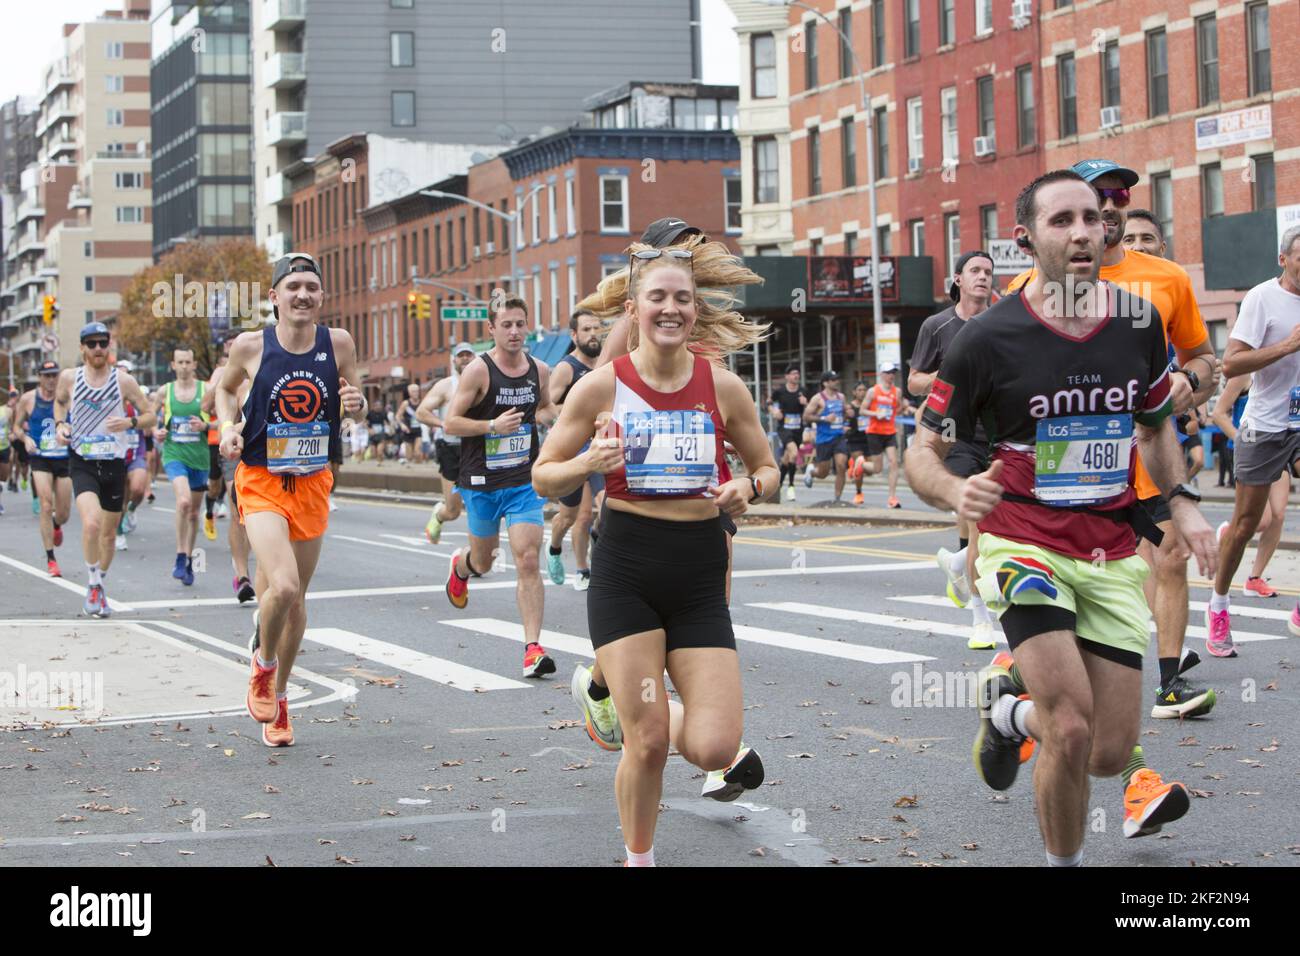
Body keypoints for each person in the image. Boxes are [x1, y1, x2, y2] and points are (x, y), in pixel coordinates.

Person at [906, 169, 1215, 862]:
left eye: (1092, 218)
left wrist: (1184, 506)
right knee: (1070, 730)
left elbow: (1156, 428)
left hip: (1107, 548)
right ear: (1026, 238)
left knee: (1106, 754)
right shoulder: (987, 337)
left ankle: (1009, 714)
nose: (1083, 232)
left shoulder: (1136, 323)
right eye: (1062, 221)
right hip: (1024, 542)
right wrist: (955, 495)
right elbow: (923, 451)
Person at [533, 240, 778, 866]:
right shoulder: (600, 388)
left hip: (699, 571)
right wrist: (590, 460)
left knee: (715, 746)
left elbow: (769, 466)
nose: (670, 309)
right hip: (628, 570)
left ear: (695, 310)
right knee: (645, 742)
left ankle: (616, 692)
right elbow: (545, 475)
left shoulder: (723, 387)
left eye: (682, 299)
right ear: (634, 309)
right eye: (658, 298)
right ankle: (638, 858)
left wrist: (746, 488)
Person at [1008, 159, 1219, 714]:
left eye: (1117, 196)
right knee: (1082, 581)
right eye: (1093, 196)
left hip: (1149, 450)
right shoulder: (1029, 286)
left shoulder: (1165, 280)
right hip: (1065, 467)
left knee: (1170, 557)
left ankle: (1169, 679)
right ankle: (1028, 675)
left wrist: (1186, 385)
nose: (1107, 206)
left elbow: (1204, 359)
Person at [569, 218, 764, 752]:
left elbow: (727, 405)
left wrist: (749, 481)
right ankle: (605, 684)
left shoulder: (700, 319)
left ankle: (708, 733)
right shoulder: (634, 324)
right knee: (646, 620)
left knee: (712, 583)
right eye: (679, 249)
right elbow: (601, 394)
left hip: (706, 480)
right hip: (642, 485)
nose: (690, 256)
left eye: (694, 250)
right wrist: (607, 447)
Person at [217, 252, 364, 747]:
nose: (303, 294)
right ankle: (262, 663)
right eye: (293, 286)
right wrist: (226, 426)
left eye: (312, 287)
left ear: (322, 296)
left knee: (296, 602)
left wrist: (357, 406)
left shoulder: (338, 343)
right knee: (281, 586)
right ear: (275, 296)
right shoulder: (251, 345)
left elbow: (355, 403)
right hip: (260, 478)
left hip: (313, 481)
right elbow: (225, 390)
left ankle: (280, 700)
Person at [442, 296, 559, 679]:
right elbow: (451, 424)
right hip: (481, 481)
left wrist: (556, 417)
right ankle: (462, 566)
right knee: (485, 561)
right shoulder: (478, 371)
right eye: (506, 324)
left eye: (520, 324)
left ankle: (532, 648)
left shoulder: (539, 369)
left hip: (524, 479)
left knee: (527, 558)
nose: (514, 332)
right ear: (491, 329)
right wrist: (492, 426)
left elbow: (542, 408)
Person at [1206, 226, 1300, 652]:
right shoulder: (1263, 299)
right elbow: (1231, 364)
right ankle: (1219, 604)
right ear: (1284, 259)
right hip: (1266, 425)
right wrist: (1287, 345)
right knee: (1245, 525)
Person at [908, 250, 997, 649]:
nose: (983, 277)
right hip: (953, 430)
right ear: (958, 279)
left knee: (994, 523)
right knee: (974, 510)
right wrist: (950, 375)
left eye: (988, 272)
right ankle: (981, 620)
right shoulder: (937, 325)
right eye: (975, 271)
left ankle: (960, 562)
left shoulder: (1001, 320)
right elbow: (913, 382)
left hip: (998, 431)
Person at [53, 326, 156, 615]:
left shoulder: (123, 381)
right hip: (82, 461)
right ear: (83, 348)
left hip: (113, 462)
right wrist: (61, 425)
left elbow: (149, 415)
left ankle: (99, 583)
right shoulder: (70, 378)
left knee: (109, 535)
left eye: (103, 343)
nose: (98, 348)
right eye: (92, 344)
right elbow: (59, 404)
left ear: (109, 346)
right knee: (92, 524)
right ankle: (93, 581)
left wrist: (129, 423)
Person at [1210, 374, 1286, 599]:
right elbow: (1218, 414)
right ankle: (1227, 531)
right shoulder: (1246, 373)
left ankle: (1254, 578)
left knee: (1279, 515)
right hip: (1251, 453)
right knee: (1260, 521)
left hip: (1278, 445)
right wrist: (1242, 441)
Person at [546, 308, 604, 590]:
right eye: (586, 330)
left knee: (607, 505)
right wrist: (572, 416)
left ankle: (597, 539)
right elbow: (544, 408)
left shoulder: (606, 365)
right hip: (574, 449)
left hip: (601, 445)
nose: (593, 334)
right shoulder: (567, 368)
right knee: (572, 517)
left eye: (597, 328)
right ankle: (557, 549)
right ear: (574, 335)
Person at [202, 332, 256, 603]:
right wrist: (222, 379)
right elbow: (206, 405)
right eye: (231, 346)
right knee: (237, 512)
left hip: (267, 456)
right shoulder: (225, 375)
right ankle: (242, 574)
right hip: (234, 450)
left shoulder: (264, 369)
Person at [153, 348, 212, 586]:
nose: (185, 366)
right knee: (184, 502)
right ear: (173, 365)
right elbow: (149, 417)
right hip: (174, 453)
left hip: (199, 457)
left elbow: (221, 418)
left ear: (194, 364)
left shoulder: (205, 390)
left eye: (188, 361)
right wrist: (156, 431)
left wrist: (205, 426)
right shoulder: (164, 392)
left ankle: (188, 558)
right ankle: (179, 554)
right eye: (180, 362)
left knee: (194, 512)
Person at [13, 362, 72, 576]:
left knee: (64, 513)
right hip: (40, 458)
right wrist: (26, 438)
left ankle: (57, 525)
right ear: (39, 377)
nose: (51, 380)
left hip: (63, 459)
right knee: (46, 505)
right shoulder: (28, 399)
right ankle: (51, 559)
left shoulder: (66, 399)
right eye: (46, 376)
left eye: (54, 375)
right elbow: (17, 426)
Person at [417, 343, 476, 544]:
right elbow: (421, 412)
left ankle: (479, 551)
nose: (466, 359)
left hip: (476, 449)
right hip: (451, 450)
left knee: (479, 505)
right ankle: (439, 515)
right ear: (454, 360)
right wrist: (443, 423)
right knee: (453, 511)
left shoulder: (484, 382)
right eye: (461, 356)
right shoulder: (445, 385)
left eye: (469, 355)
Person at [848, 362, 912, 507]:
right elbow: (863, 410)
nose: (891, 376)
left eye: (893, 373)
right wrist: (876, 413)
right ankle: (861, 464)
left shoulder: (897, 391)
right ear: (882, 375)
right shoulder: (873, 391)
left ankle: (892, 498)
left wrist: (904, 409)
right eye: (888, 373)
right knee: (877, 469)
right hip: (875, 432)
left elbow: (898, 408)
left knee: (894, 462)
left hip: (890, 432)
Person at [802, 370, 849, 502]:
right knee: (823, 473)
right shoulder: (818, 398)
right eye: (833, 380)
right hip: (824, 439)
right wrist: (824, 418)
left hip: (839, 437)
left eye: (837, 379)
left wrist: (846, 421)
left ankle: (837, 498)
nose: (836, 382)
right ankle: (811, 471)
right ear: (825, 383)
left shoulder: (841, 397)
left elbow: (844, 412)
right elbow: (806, 417)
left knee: (841, 465)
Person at [769, 365, 807, 502]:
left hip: (798, 429)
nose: (796, 376)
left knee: (787, 458)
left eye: (797, 373)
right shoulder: (780, 391)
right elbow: (769, 402)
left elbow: (810, 409)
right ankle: (791, 486)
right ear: (787, 376)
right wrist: (774, 411)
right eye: (793, 374)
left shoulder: (803, 391)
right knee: (794, 452)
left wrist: (806, 403)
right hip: (784, 428)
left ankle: (776, 486)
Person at [397, 384, 423, 463]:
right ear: (409, 393)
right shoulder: (406, 403)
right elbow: (398, 416)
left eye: (417, 391)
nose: (416, 393)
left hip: (418, 430)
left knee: (417, 452)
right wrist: (402, 425)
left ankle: (419, 470)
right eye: (413, 391)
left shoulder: (422, 402)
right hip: (408, 431)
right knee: (409, 456)